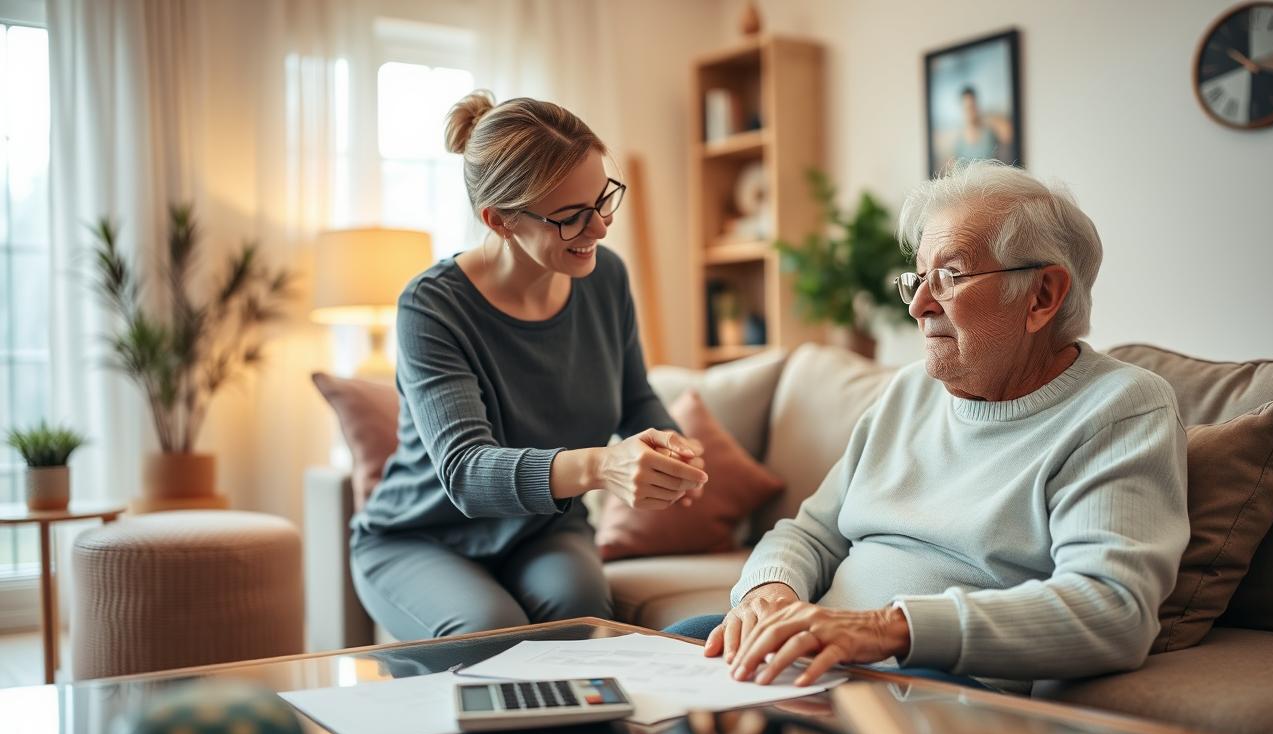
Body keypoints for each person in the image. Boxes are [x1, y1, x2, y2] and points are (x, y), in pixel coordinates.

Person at [668, 161, 1190, 693]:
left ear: (1042, 296)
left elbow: (1112, 609)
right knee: (673, 652)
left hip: (937, 678)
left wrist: (886, 629)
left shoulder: (1119, 409)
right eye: (918, 278)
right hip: (822, 652)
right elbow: (810, 533)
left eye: (948, 277)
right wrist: (769, 592)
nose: (918, 305)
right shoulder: (908, 391)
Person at [352, 90, 708, 640]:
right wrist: (599, 467)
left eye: (604, 200)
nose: (599, 229)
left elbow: (634, 397)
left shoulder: (606, 279)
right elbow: (467, 473)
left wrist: (672, 448)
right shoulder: (431, 307)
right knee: (490, 630)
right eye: (570, 217)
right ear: (498, 220)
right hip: (420, 536)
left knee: (582, 613)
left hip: (544, 529)